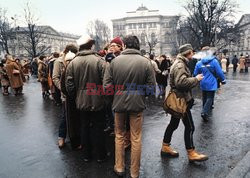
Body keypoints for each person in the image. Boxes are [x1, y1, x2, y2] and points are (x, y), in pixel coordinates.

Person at [103, 35, 156, 178]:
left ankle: (119, 167)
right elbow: (151, 88)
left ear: (124, 46)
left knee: (119, 135)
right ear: (138, 46)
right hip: (137, 104)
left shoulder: (114, 62)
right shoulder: (146, 62)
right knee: (136, 138)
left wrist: (115, 96)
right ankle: (134, 172)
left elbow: (107, 87)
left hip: (119, 104)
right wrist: (139, 94)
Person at [161, 44, 208, 163]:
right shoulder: (180, 65)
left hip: (179, 100)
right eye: (192, 52)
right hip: (181, 101)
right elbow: (181, 83)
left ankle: (165, 147)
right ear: (188, 52)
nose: (193, 54)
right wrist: (196, 79)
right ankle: (191, 153)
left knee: (173, 124)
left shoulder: (180, 63)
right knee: (190, 126)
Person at [66, 35, 107, 162]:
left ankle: (86, 155)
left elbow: (69, 85)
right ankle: (100, 155)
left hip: (81, 101)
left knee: (84, 127)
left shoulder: (72, 63)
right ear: (91, 45)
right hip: (98, 100)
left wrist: (77, 96)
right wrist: (103, 97)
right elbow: (106, 83)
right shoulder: (100, 61)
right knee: (98, 127)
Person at [53, 45, 78, 148]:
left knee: (76, 116)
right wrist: (63, 89)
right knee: (64, 116)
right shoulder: (58, 62)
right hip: (65, 95)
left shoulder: (75, 60)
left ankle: (76, 137)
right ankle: (61, 137)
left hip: (76, 94)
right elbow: (55, 77)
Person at [194, 47, 226, 121]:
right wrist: (223, 80)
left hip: (202, 82)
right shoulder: (214, 61)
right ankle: (204, 112)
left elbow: (195, 73)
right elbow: (219, 72)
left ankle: (205, 110)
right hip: (211, 82)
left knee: (204, 97)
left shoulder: (199, 62)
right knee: (210, 97)